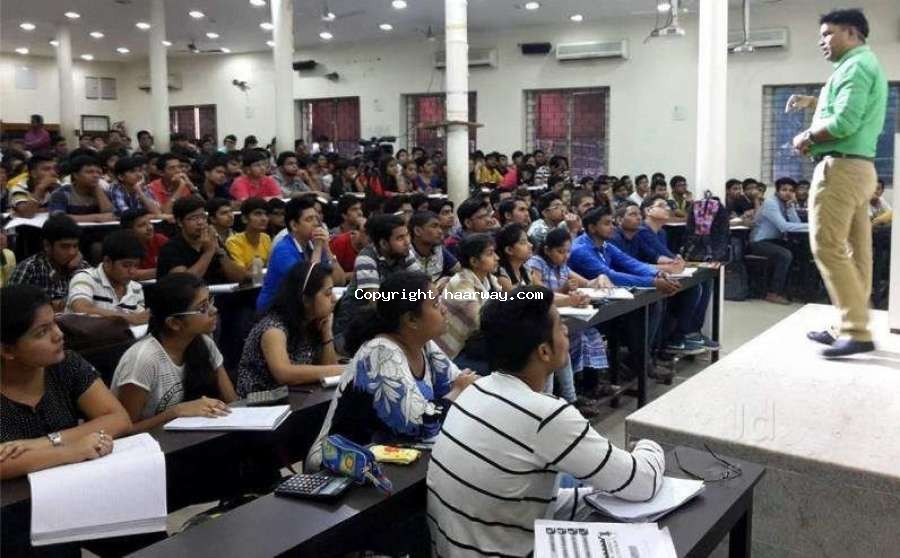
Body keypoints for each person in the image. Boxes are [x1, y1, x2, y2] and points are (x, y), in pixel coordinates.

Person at [427, 286, 664, 557]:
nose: (566, 330)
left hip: (466, 545)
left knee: (594, 493)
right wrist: (647, 442)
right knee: (650, 518)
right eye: (560, 324)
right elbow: (643, 482)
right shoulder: (545, 415)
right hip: (506, 549)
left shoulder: (475, 390)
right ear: (543, 351)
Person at [786, 8, 887, 357]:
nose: (822, 41)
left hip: (840, 169)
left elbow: (844, 122)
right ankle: (849, 326)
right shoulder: (864, 65)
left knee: (826, 246)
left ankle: (856, 329)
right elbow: (851, 109)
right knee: (858, 253)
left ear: (852, 32)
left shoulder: (854, 67)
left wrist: (806, 137)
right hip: (861, 168)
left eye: (828, 33)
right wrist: (813, 102)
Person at [307, 271, 477, 469]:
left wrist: (461, 388)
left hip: (390, 458)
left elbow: (460, 382)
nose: (444, 310)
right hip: (338, 462)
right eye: (436, 304)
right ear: (411, 320)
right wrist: (457, 391)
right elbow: (419, 425)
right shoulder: (380, 352)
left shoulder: (423, 344)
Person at [0, 284, 132, 480]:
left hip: (73, 485)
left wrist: (44, 443)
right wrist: (70, 451)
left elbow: (119, 419)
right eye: (42, 332)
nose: (59, 334)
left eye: (55, 322)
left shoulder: (66, 364)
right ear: (7, 350)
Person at [112, 273, 236, 433]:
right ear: (174, 323)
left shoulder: (205, 343)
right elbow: (124, 431)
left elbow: (232, 402)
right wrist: (175, 412)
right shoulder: (143, 360)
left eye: (211, 302)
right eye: (202, 308)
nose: (214, 310)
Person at [236, 262, 343, 395]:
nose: (334, 299)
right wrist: (341, 369)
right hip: (260, 402)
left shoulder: (312, 323)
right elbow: (284, 374)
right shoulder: (273, 329)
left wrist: (327, 334)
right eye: (328, 293)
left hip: (295, 398)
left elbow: (329, 371)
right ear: (306, 300)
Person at [333, 214, 420, 338]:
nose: (407, 242)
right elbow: (375, 303)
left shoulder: (404, 253)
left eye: (407, 235)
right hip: (353, 329)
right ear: (384, 243)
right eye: (400, 238)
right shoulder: (366, 258)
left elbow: (421, 286)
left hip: (388, 320)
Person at [258, 196, 345, 311]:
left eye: (316, 219)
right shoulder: (283, 251)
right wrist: (318, 248)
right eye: (309, 220)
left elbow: (340, 281)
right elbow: (308, 285)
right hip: (275, 312)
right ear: (294, 225)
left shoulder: (313, 243)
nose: (316, 224)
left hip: (301, 309)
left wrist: (327, 248)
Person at [436, 234, 502, 373]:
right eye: (490, 254)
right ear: (474, 261)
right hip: (454, 354)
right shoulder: (461, 283)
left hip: (474, 345)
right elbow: (480, 319)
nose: (497, 257)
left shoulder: (490, 281)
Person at [157, 197, 248, 284]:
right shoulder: (171, 248)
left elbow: (239, 278)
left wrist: (220, 252)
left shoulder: (212, 240)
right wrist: (208, 252)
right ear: (180, 222)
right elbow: (184, 283)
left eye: (203, 217)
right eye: (193, 218)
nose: (200, 222)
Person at [9, 214, 90, 311]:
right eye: (65, 247)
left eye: (75, 246)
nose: (72, 252)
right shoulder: (30, 269)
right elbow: (11, 308)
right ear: (47, 245)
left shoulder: (83, 267)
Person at [66, 230, 148, 325]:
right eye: (126, 265)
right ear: (107, 261)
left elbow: (139, 320)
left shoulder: (136, 288)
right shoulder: (84, 278)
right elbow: (81, 309)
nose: (132, 271)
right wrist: (127, 317)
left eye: (136, 266)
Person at [748, 177, 809, 305]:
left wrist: (790, 208)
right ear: (777, 191)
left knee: (802, 250)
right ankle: (773, 293)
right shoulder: (771, 203)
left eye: (791, 190)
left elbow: (796, 223)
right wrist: (813, 226)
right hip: (759, 241)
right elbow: (784, 227)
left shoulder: (786, 203)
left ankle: (798, 289)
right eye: (784, 190)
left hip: (774, 240)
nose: (788, 193)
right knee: (785, 255)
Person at [48, 155, 115, 222]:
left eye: (98, 172)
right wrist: (96, 218)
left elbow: (111, 215)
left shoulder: (104, 192)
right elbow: (57, 217)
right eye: (89, 172)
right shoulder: (61, 193)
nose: (96, 175)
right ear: (76, 175)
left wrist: (97, 190)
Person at [409, 210, 459, 284]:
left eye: (440, 227)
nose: (440, 231)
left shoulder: (438, 248)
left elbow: (459, 270)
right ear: (417, 231)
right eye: (434, 226)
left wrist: (450, 279)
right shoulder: (406, 252)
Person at [120, 208, 167, 281]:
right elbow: (130, 274)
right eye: (142, 225)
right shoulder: (122, 246)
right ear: (129, 230)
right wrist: (165, 270)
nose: (150, 228)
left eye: (150, 223)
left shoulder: (160, 239)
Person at [225, 197, 272, 269]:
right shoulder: (233, 242)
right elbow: (241, 272)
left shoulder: (266, 238)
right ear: (244, 219)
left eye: (266, 214)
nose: (264, 218)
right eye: (257, 214)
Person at [8, 153, 58, 218]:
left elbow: (63, 209)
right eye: (46, 169)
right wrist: (40, 189)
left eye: (54, 169)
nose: (53, 173)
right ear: (33, 173)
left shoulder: (56, 185)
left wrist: (38, 210)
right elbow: (27, 214)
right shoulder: (18, 188)